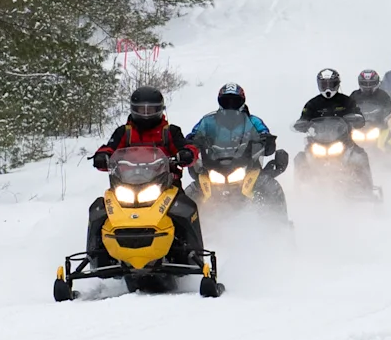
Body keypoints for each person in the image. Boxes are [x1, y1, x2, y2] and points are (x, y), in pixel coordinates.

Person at [88, 83, 203, 264]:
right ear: (134, 110)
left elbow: (187, 146)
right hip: (126, 184)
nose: (146, 113)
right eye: (142, 109)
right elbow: (109, 147)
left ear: (160, 110)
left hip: (165, 185)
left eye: (151, 109)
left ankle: (191, 254)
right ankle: (97, 255)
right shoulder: (124, 133)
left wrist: (187, 153)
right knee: (99, 209)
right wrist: (102, 156)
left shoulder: (170, 132)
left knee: (185, 207)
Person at [186, 82, 289, 212]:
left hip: (246, 165)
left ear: (242, 101)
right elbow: (195, 134)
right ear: (220, 102)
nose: (230, 105)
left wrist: (266, 140)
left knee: (270, 188)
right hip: (213, 165)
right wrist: (190, 141)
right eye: (226, 101)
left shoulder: (253, 121)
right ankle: (186, 228)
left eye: (234, 101)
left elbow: (264, 133)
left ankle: (279, 225)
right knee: (190, 195)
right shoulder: (208, 122)